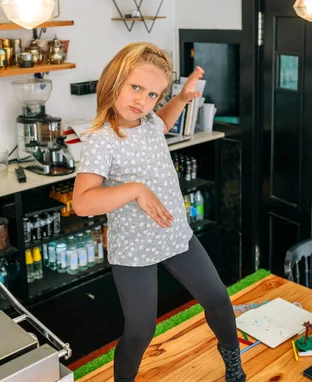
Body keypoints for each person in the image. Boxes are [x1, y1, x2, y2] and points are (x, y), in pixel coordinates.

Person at [72, 42, 245, 382]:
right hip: (134, 249)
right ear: (114, 80)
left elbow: (161, 125)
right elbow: (82, 202)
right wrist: (135, 189)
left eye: (153, 94)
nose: (142, 101)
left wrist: (179, 99)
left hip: (174, 234)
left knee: (219, 300)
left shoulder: (149, 120)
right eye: (136, 87)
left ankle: (234, 369)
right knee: (141, 331)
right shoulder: (101, 140)